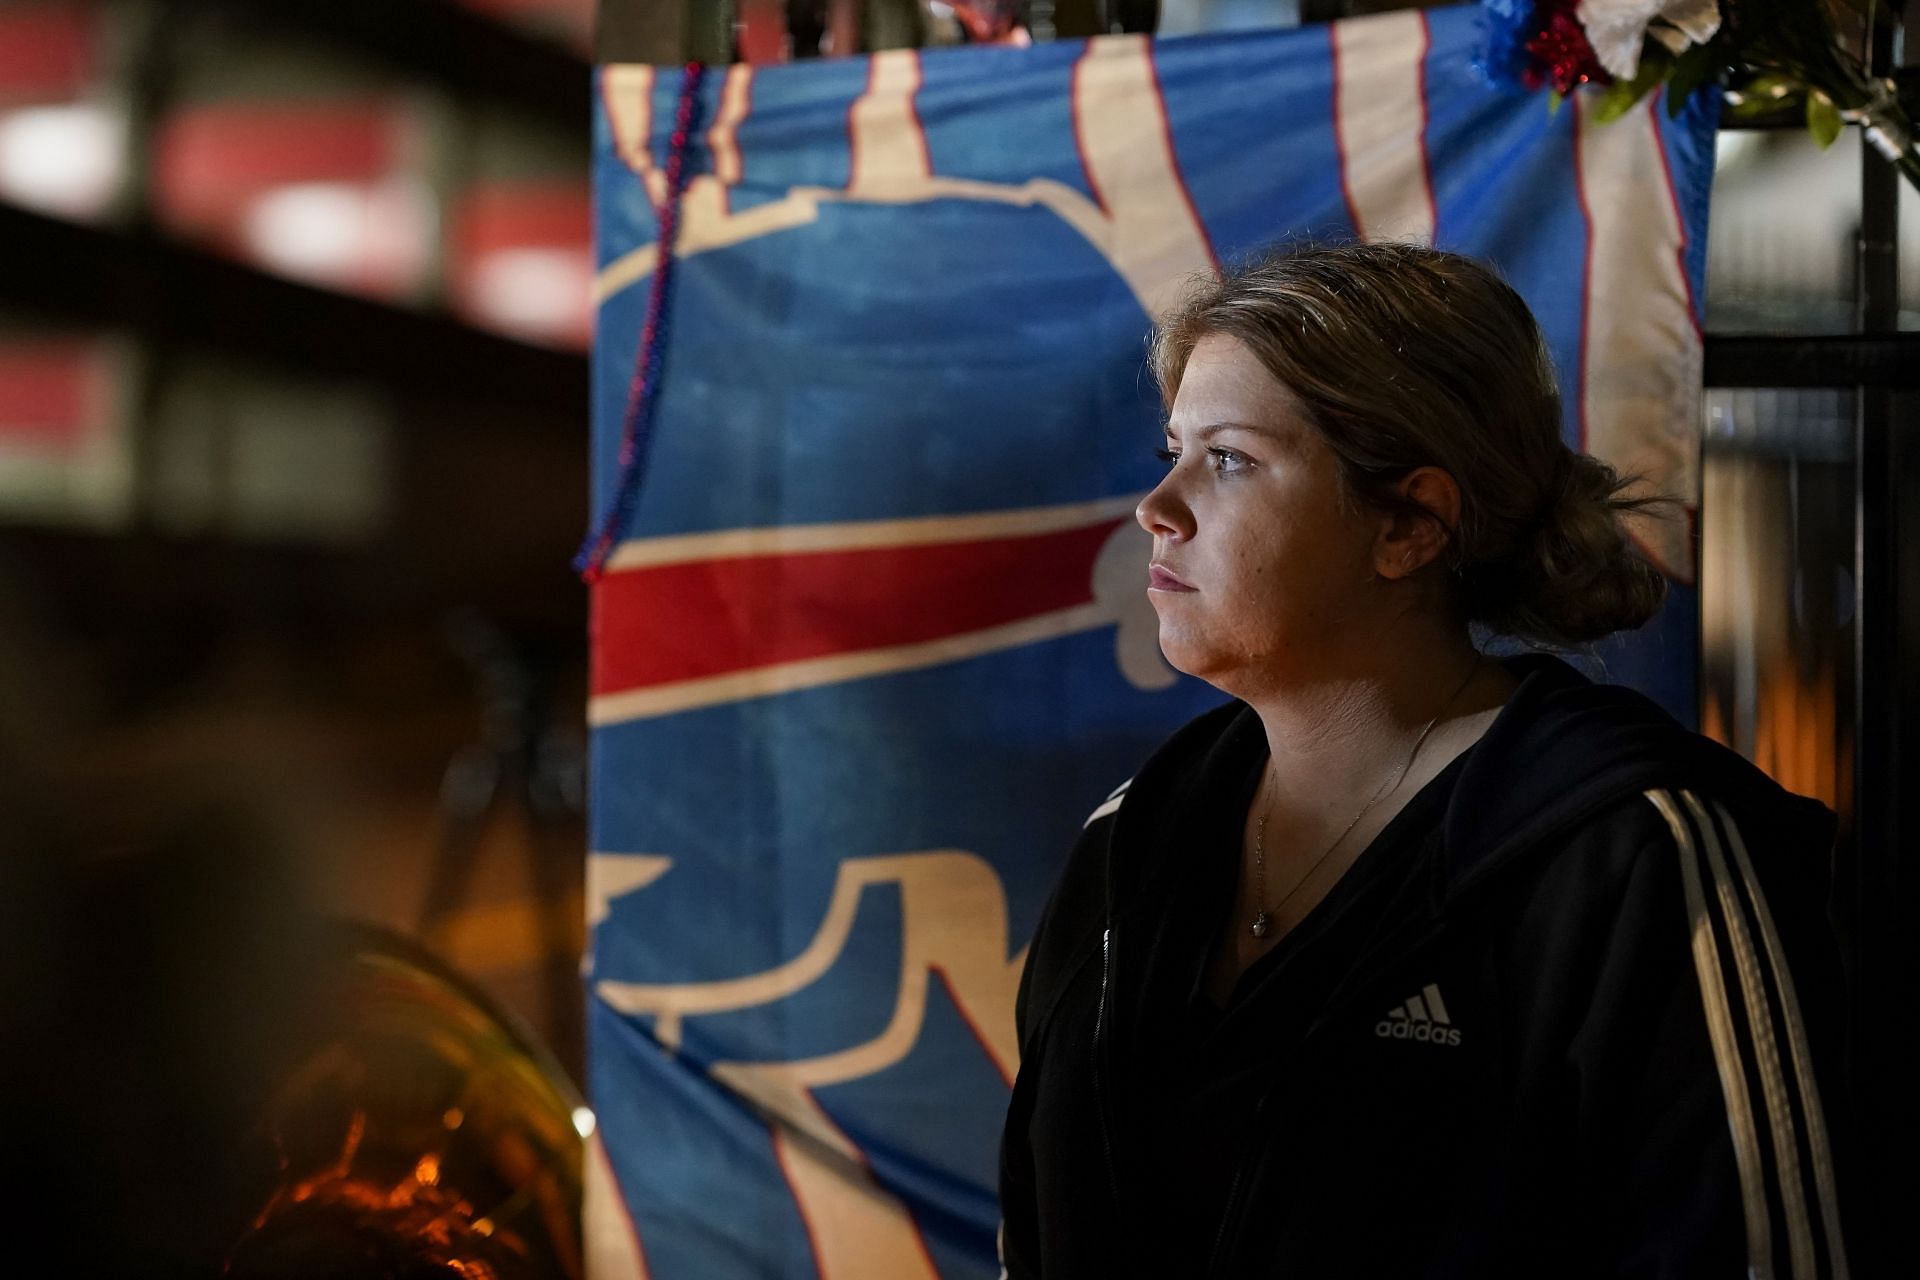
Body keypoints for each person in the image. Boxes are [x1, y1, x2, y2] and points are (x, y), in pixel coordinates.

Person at [996, 243, 1851, 1278]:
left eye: (1227, 459)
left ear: (1409, 523)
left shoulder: (1636, 856)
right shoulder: (1131, 843)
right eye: (1172, 450)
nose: (1157, 508)